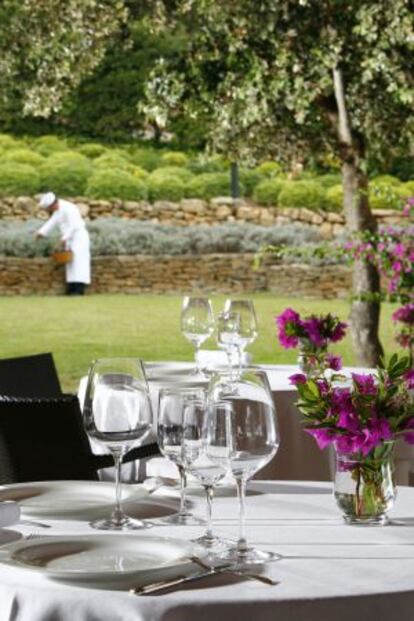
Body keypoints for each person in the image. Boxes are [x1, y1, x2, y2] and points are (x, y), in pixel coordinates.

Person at [35, 192, 91, 295]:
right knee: (70, 263)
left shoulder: (69, 208)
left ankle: (79, 289)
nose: (50, 210)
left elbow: (74, 225)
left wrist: (63, 239)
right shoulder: (58, 210)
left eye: (49, 208)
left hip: (79, 237)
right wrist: (41, 232)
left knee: (79, 263)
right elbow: (52, 222)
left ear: (53, 204)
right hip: (70, 238)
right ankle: (71, 288)